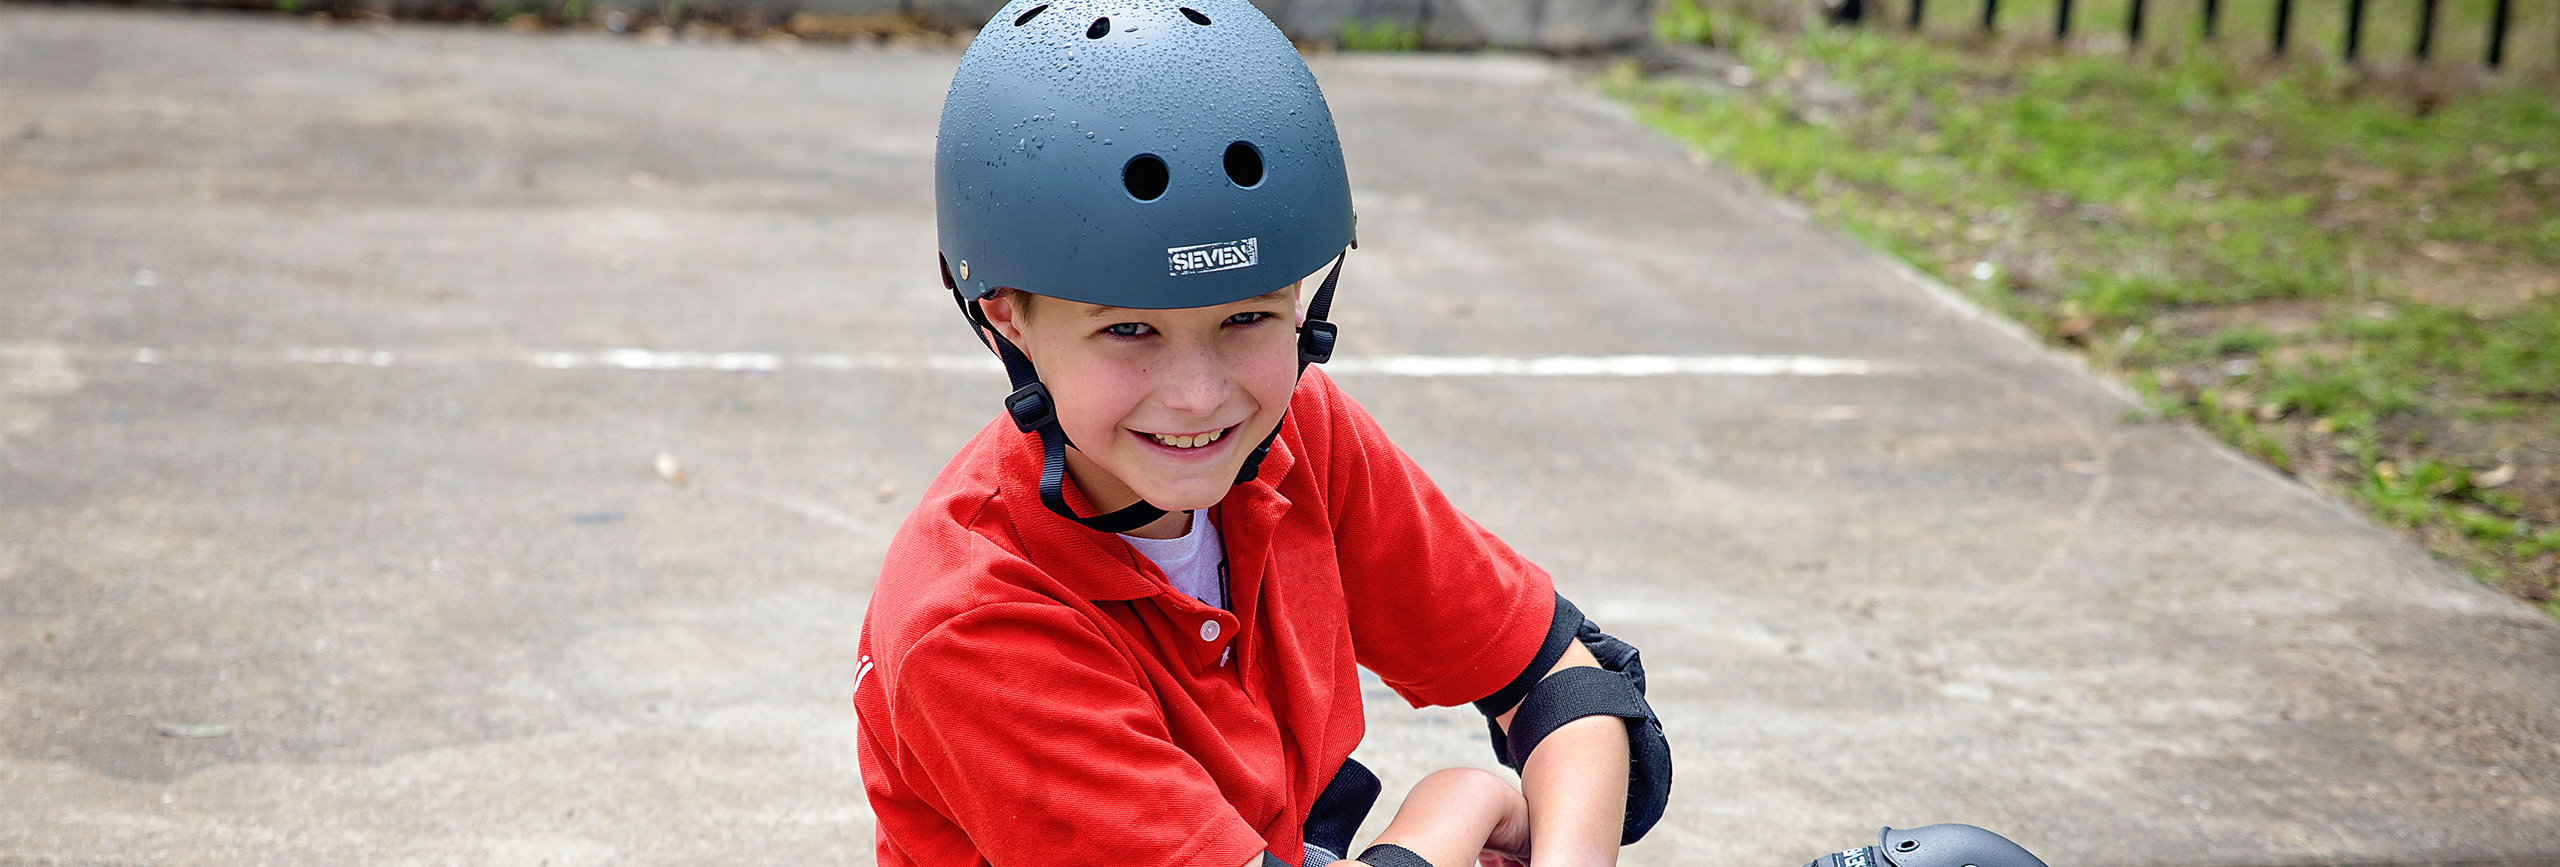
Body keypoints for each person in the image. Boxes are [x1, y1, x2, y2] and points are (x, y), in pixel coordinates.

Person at [852, 1, 1672, 865]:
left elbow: (1565, 680)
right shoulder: (976, 624)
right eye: (1129, 331)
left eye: (1246, 317)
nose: (1200, 396)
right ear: (1009, 318)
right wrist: (1453, 805)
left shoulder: (1292, 437)